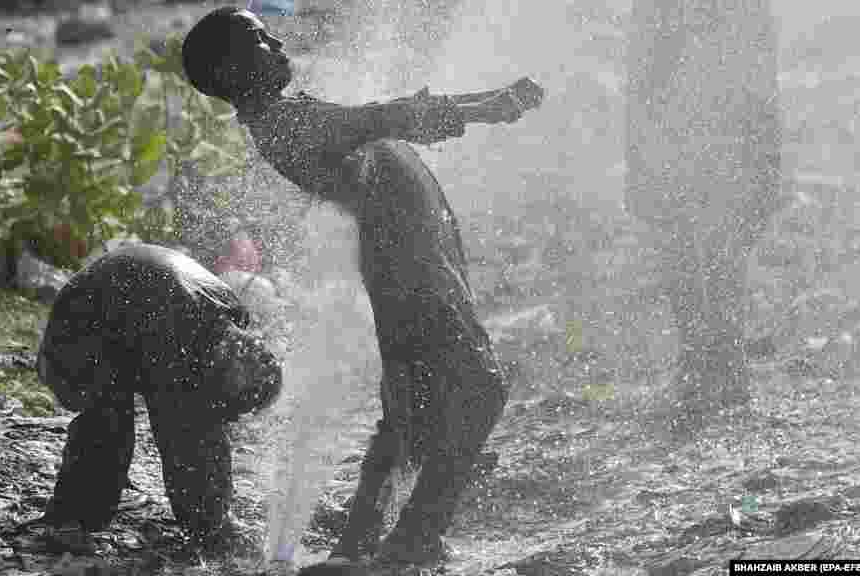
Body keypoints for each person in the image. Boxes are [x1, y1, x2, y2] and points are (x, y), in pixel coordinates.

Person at [182, 7, 541, 570]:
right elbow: (383, 118)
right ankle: (414, 539)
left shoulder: (283, 115)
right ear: (229, 71)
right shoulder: (283, 124)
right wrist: (489, 105)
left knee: (407, 412)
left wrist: (471, 108)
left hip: (410, 262)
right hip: (412, 269)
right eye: (260, 39)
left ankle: (360, 544)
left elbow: (386, 121)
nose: (277, 43)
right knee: (478, 393)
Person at [34, 243, 283, 556]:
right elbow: (188, 443)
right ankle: (70, 523)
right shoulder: (179, 338)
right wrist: (212, 529)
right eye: (234, 403)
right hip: (78, 331)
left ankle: (77, 517)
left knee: (181, 419)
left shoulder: (226, 313)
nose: (228, 413)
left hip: (115, 303)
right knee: (111, 428)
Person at [624, 0, 781, 431]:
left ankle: (719, 367)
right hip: (680, 133)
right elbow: (641, 77)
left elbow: (761, 74)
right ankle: (707, 366)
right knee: (690, 250)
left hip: (722, 133)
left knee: (718, 251)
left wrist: (766, 157)